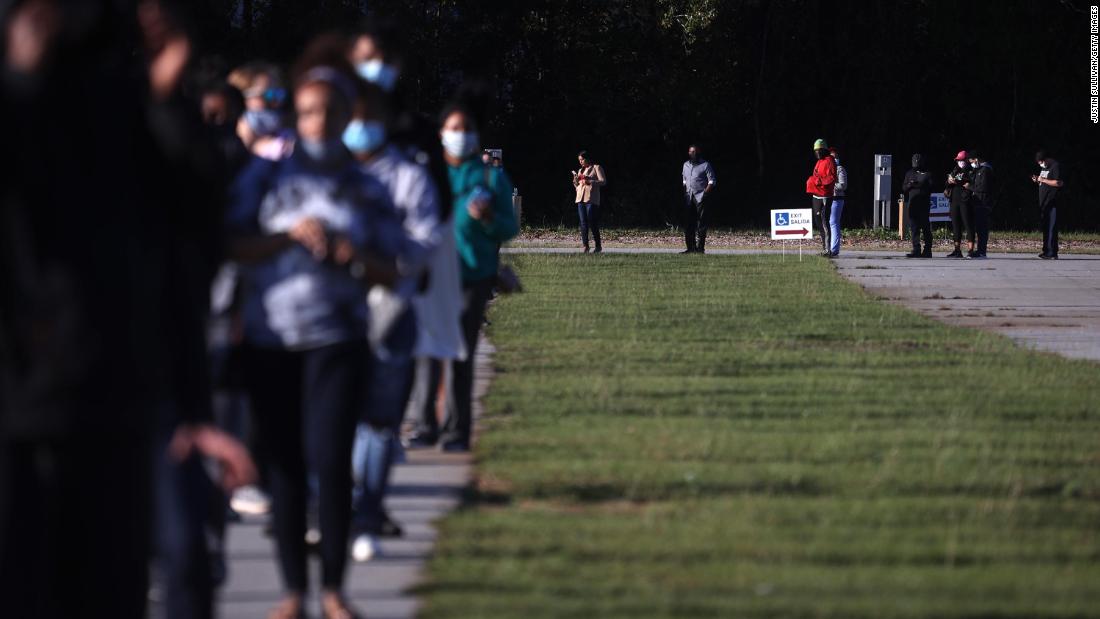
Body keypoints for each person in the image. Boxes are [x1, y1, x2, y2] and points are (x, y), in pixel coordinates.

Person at [226, 53, 403, 619]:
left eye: (329, 112)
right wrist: (285, 237)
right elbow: (231, 243)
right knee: (282, 466)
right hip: (271, 338)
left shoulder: (365, 187)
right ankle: (290, 591)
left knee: (329, 461)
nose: (319, 122)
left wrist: (353, 255)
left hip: (337, 340)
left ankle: (332, 590)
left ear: (347, 114)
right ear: (295, 120)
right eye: (307, 112)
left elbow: (395, 267)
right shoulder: (266, 175)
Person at [342, 83, 447, 562]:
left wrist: (384, 260)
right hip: (330, 313)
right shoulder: (322, 173)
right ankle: (331, 509)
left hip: (390, 308)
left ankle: (367, 512)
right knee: (331, 419)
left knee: (379, 422)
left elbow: (425, 241)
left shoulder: (408, 176)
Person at [436, 100, 519, 452]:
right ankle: (426, 423)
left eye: (467, 129)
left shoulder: (491, 177)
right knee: (429, 356)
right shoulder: (431, 173)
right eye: (453, 129)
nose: (460, 136)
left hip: (473, 275)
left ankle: (458, 430)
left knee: (461, 354)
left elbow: (508, 226)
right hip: (433, 276)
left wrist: (487, 220)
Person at [681, 144, 716, 253]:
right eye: (691, 152)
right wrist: (685, 192)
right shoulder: (685, 165)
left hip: (700, 197)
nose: (693, 154)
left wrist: (705, 193)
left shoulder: (705, 165)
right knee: (689, 223)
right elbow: (684, 180)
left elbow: (712, 181)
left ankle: (700, 249)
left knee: (701, 223)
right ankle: (690, 248)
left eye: (695, 152)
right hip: (689, 197)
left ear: (698, 153)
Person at [805, 138, 836, 255]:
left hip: (825, 196)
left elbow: (831, 178)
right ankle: (824, 248)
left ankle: (828, 250)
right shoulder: (819, 162)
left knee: (824, 222)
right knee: (818, 221)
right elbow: (816, 174)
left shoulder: (829, 161)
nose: (817, 152)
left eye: (819, 150)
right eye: (815, 150)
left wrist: (818, 181)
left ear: (824, 150)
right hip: (816, 195)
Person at [573, 150, 607, 253]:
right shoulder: (580, 170)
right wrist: (575, 181)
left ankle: (598, 246)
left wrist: (590, 181)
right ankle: (585, 246)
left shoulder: (596, 167)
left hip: (591, 199)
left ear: (587, 158)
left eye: (582, 159)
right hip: (580, 199)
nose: (581, 162)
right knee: (583, 223)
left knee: (592, 222)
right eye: (579, 160)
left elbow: (603, 181)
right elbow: (577, 185)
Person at [1032, 150, 1064, 259]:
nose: (1040, 164)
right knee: (1046, 228)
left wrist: (1043, 180)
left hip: (1052, 202)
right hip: (1044, 203)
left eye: (1041, 162)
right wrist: (1037, 180)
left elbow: (1058, 183)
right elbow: (1044, 181)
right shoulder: (1044, 167)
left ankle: (1052, 252)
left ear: (1046, 159)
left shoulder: (1054, 166)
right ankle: (1046, 250)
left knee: (1051, 228)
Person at [903, 154, 933, 258]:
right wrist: (909, 185)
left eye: (918, 161)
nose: (916, 162)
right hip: (912, 204)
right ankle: (916, 249)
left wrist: (919, 185)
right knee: (914, 228)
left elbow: (931, 187)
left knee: (925, 228)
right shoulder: (909, 173)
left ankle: (927, 250)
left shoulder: (927, 174)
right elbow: (904, 188)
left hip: (923, 205)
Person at [965, 151, 993, 259]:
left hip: (983, 202)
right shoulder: (978, 170)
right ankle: (980, 250)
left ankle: (982, 251)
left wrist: (969, 187)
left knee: (982, 228)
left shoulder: (986, 170)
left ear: (976, 159)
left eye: (971, 161)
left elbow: (983, 188)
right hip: (977, 202)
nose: (971, 163)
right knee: (979, 228)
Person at [944, 150, 972, 258]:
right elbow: (947, 183)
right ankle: (957, 250)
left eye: (961, 160)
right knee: (956, 225)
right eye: (958, 160)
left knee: (967, 224)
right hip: (954, 200)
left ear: (966, 160)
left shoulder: (970, 170)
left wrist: (958, 181)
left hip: (965, 200)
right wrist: (949, 181)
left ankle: (970, 250)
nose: (959, 162)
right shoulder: (955, 169)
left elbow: (969, 182)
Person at [827, 146, 847, 257]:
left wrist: (831, 185)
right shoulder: (829, 169)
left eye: (835, 157)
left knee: (834, 223)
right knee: (831, 223)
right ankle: (831, 248)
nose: (833, 159)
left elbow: (843, 185)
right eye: (831, 157)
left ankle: (834, 249)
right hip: (829, 199)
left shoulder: (840, 169)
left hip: (837, 199)